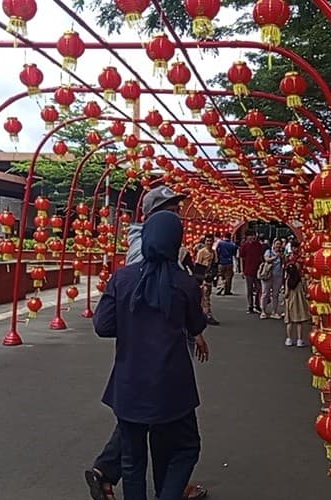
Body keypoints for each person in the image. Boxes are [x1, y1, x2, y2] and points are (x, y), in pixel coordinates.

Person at [87, 185, 209, 500]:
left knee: (132, 460)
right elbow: (196, 323)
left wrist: (132, 326)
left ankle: (112, 477)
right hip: (172, 384)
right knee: (184, 448)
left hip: (129, 382)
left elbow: (103, 325)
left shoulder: (123, 277)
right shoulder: (185, 283)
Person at [194, 233, 220, 325]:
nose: (209, 243)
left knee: (207, 296)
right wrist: (200, 280)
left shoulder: (214, 252)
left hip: (210, 277)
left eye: (211, 241)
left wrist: (215, 277)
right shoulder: (201, 252)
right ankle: (207, 315)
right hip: (203, 277)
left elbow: (215, 265)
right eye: (207, 241)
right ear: (205, 242)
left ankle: (202, 315)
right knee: (205, 297)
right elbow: (198, 266)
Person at [283, 262, 311, 347]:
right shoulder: (301, 280)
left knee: (289, 322)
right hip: (299, 302)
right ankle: (299, 340)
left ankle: (289, 339)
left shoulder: (288, 281)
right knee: (299, 322)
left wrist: (284, 297)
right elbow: (306, 291)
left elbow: (286, 293)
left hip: (290, 302)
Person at [239, 230, 264, 314]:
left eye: (253, 235)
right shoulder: (244, 246)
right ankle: (250, 305)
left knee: (258, 288)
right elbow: (241, 258)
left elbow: (261, 256)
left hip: (258, 270)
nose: (252, 237)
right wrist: (242, 270)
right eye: (250, 235)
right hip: (248, 270)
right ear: (247, 237)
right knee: (249, 289)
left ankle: (257, 304)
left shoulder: (258, 245)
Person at [259, 239, 285, 319]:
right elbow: (266, 259)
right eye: (277, 244)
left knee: (275, 294)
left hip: (278, 275)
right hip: (268, 275)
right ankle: (263, 311)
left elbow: (284, 263)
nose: (278, 246)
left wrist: (283, 257)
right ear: (273, 244)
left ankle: (274, 311)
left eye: (279, 244)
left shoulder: (282, 253)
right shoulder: (269, 251)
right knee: (265, 293)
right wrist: (275, 257)